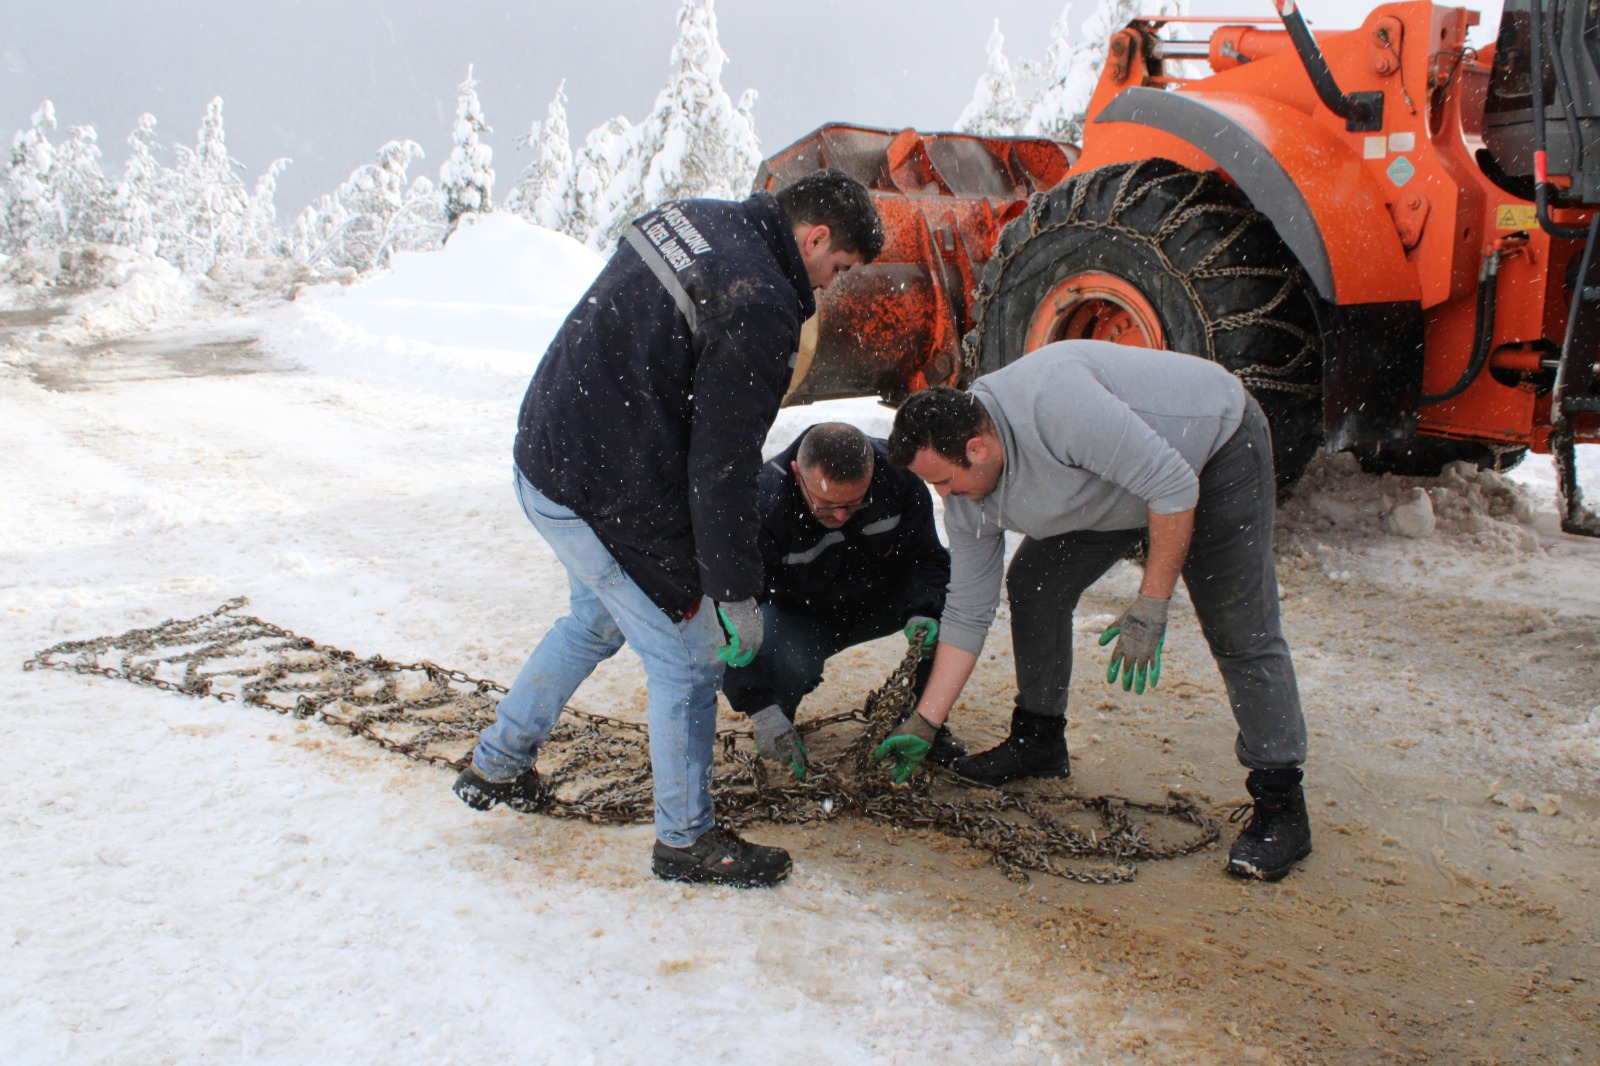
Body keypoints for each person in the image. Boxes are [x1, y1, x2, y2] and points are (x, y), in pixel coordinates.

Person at [453, 169, 884, 889]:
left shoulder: (693, 217)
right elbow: (720, 462)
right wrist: (732, 591)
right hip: (600, 490)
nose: (829, 289)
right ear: (813, 239)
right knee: (688, 657)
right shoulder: (764, 304)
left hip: (546, 453)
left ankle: (496, 765)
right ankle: (684, 840)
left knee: (593, 620)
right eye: (837, 270)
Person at [877, 340, 1312, 882]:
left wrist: (1151, 605)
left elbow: (1173, 483)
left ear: (978, 447)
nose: (945, 495)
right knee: (1035, 584)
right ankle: (1039, 740)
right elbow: (968, 611)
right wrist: (925, 723)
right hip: (1116, 481)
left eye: (944, 480)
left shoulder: (1056, 405)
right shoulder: (970, 499)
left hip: (1210, 452)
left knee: (1239, 629)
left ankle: (1280, 804)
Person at [721, 422, 963, 778]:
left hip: (877, 600)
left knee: (956, 601)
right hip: (802, 615)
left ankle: (922, 717)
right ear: (796, 474)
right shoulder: (762, 504)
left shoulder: (898, 478)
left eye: (854, 504)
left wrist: (922, 610)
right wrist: (759, 706)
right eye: (827, 506)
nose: (839, 517)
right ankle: (778, 718)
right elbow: (727, 615)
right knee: (772, 642)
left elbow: (925, 558)